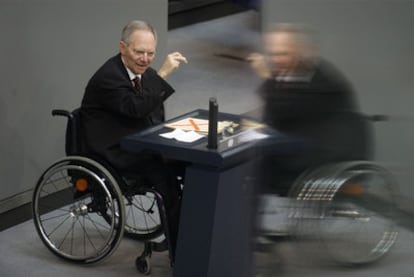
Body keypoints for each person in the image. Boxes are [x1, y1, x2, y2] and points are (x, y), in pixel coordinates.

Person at [80, 20, 188, 258]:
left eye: (151, 53)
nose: (145, 59)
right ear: (122, 47)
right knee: (166, 177)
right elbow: (137, 109)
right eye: (139, 52)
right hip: (114, 149)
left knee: (193, 166)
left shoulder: (143, 73)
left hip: (138, 141)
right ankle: (181, 252)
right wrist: (163, 73)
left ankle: (190, 232)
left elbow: (153, 112)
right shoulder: (108, 77)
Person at [247, 23, 372, 196]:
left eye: (283, 54)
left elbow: (282, 111)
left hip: (321, 154)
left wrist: (267, 76)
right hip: (301, 142)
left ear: (299, 53)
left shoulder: (323, 83)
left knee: (256, 140)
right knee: (251, 132)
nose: (276, 60)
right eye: (273, 54)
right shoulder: (293, 74)